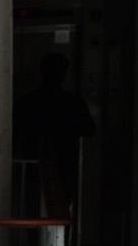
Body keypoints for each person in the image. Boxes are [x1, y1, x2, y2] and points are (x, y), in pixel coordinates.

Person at [14, 52, 96, 215]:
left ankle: (33, 232)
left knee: (32, 210)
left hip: (33, 164)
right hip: (63, 164)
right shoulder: (73, 103)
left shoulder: (27, 102)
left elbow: (15, 132)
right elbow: (89, 130)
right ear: (63, 74)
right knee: (60, 211)